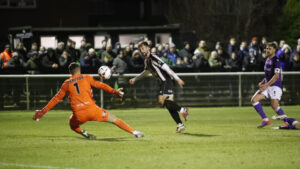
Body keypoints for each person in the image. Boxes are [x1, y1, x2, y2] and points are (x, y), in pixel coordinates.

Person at [33, 62, 144, 139]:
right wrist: (115, 92)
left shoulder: (66, 83)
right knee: (114, 119)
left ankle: (84, 133)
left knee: (72, 124)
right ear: (79, 70)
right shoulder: (86, 77)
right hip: (92, 110)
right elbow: (100, 85)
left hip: (79, 114)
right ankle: (135, 132)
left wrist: (42, 112)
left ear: (70, 72)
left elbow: (56, 99)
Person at [129, 41, 189, 133]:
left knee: (162, 101)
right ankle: (180, 124)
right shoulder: (147, 61)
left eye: (143, 48)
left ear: (148, 48)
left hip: (166, 80)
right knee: (168, 104)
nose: (141, 50)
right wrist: (135, 79)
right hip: (162, 83)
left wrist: (177, 79)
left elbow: (167, 68)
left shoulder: (154, 57)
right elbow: (146, 72)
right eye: (140, 49)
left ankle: (183, 109)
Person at [251, 42, 287, 128]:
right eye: (266, 48)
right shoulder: (267, 60)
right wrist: (263, 81)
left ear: (274, 50)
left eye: (269, 49)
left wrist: (266, 85)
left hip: (275, 85)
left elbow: (276, 76)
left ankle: (288, 122)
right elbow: (268, 75)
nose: (267, 50)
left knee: (274, 106)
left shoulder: (276, 61)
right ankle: (265, 120)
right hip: (267, 85)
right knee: (254, 100)